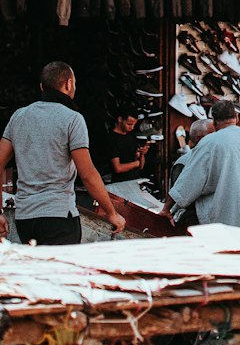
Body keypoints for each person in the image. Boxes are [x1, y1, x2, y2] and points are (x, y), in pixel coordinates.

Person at [0, 62, 126, 244]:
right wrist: (111, 213)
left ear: (42, 87)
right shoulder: (73, 119)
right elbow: (88, 174)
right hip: (58, 217)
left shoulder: (19, 116)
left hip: (25, 219)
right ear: (68, 84)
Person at [166, 100, 240, 234]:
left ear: (213, 121)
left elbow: (187, 183)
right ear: (237, 118)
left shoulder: (209, 142)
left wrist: (166, 209)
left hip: (233, 220)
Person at [107, 110, 150, 179]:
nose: (132, 128)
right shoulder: (112, 138)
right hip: (120, 181)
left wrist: (142, 154)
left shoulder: (131, 136)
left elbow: (141, 166)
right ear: (120, 119)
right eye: (129, 124)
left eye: (134, 125)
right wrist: (136, 163)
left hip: (135, 179)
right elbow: (118, 168)